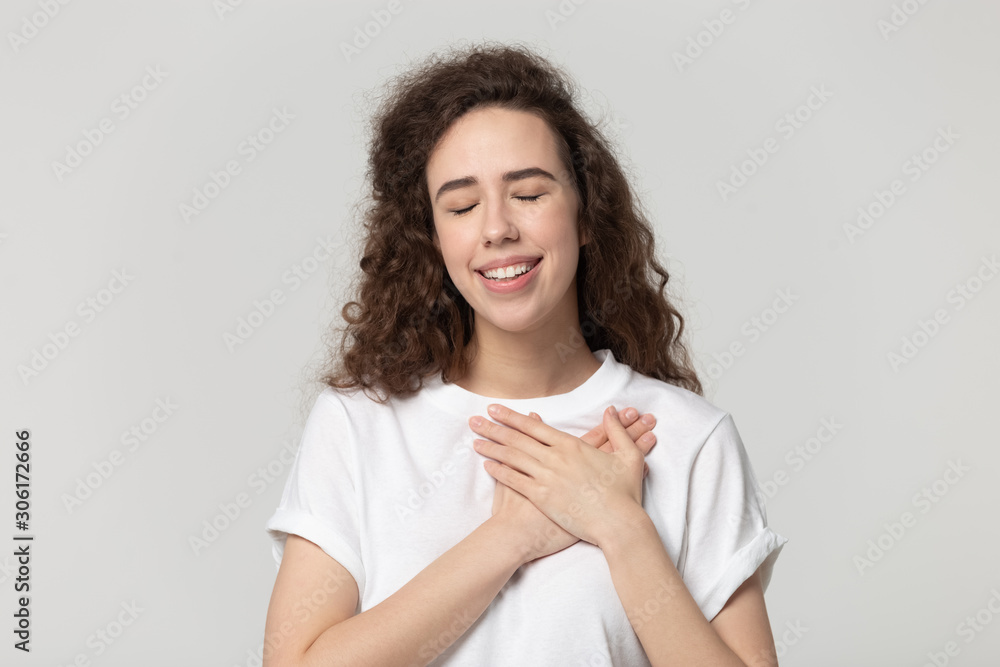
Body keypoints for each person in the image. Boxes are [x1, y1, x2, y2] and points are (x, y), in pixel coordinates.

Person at [263, 41, 787, 666]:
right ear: (432, 239)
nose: (497, 228)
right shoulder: (360, 425)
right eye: (461, 205)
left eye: (530, 194)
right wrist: (511, 537)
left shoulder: (688, 439)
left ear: (586, 214)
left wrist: (619, 526)